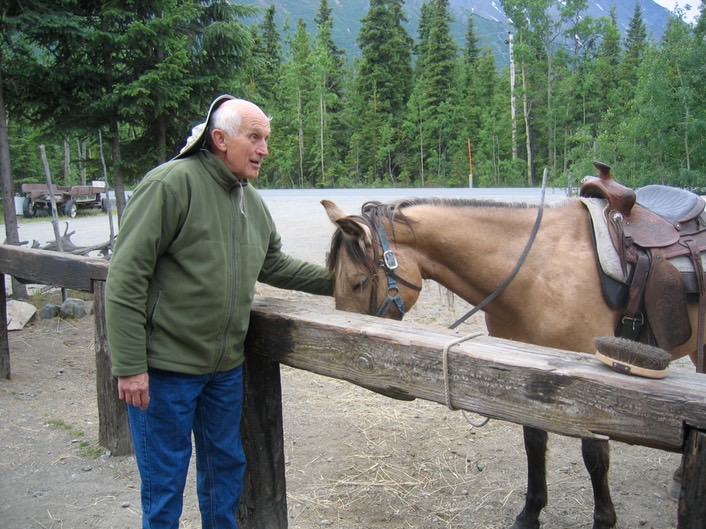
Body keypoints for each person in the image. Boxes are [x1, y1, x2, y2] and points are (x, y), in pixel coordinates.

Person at [105, 95, 333, 529]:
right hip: (164, 369)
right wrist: (130, 365)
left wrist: (343, 279)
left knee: (225, 473)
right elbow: (125, 278)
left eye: (266, 138)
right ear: (220, 139)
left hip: (224, 370)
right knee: (164, 486)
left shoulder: (251, 200)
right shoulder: (170, 185)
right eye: (255, 137)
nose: (264, 149)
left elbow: (275, 264)